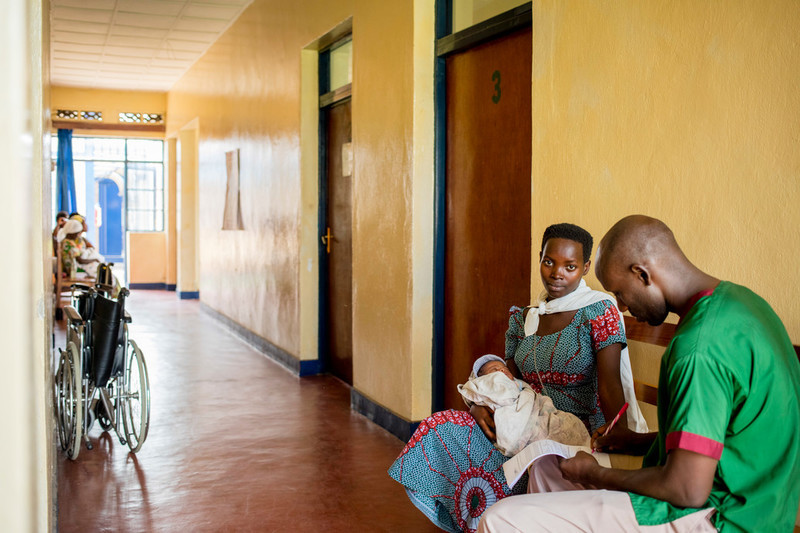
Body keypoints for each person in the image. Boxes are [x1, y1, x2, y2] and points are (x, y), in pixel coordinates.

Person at [478, 215, 800, 533]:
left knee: (499, 518)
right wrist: (633, 440)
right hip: (761, 501)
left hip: (723, 516)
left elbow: (686, 489)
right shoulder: (742, 303)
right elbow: (727, 438)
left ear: (642, 274)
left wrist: (595, 475)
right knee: (548, 471)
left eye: (619, 293)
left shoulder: (698, 349)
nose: (619, 307)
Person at [388, 223, 647, 533]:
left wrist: (615, 441)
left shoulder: (598, 311)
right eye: (549, 262)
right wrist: (480, 407)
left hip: (574, 435)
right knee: (440, 427)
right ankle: (475, 523)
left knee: (537, 461)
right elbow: (508, 379)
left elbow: (610, 385)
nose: (556, 274)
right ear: (539, 258)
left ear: (585, 268)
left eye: (570, 266)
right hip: (523, 419)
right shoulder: (526, 317)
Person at [458, 354, 590, 457]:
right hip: (512, 419)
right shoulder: (489, 384)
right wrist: (475, 405)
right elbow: (474, 391)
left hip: (536, 410)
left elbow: (533, 398)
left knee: (570, 423)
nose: (501, 371)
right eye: (494, 370)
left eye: (504, 369)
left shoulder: (520, 386)